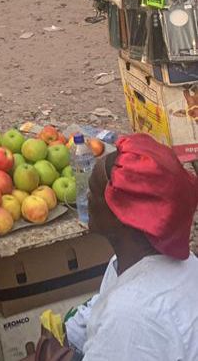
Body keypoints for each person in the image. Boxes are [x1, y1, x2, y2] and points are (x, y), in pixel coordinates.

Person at [75, 134, 198, 359]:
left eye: (93, 191)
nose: (86, 198)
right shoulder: (132, 263)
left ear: (122, 215)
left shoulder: (130, 314)